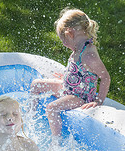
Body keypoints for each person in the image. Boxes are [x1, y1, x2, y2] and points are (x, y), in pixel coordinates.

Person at [30, 8, 111, 137]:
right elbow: (83, 72)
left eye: (63, 40)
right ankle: (31, 119)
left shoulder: (89, 55)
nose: (63, 43)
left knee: (51, 108)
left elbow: (105, 78)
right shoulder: (78, 47)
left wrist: (99, 100)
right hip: (68, 87)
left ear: (70, 34)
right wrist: (68, 75)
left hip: (80, 96)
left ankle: (56, 141)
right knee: (36, 84)